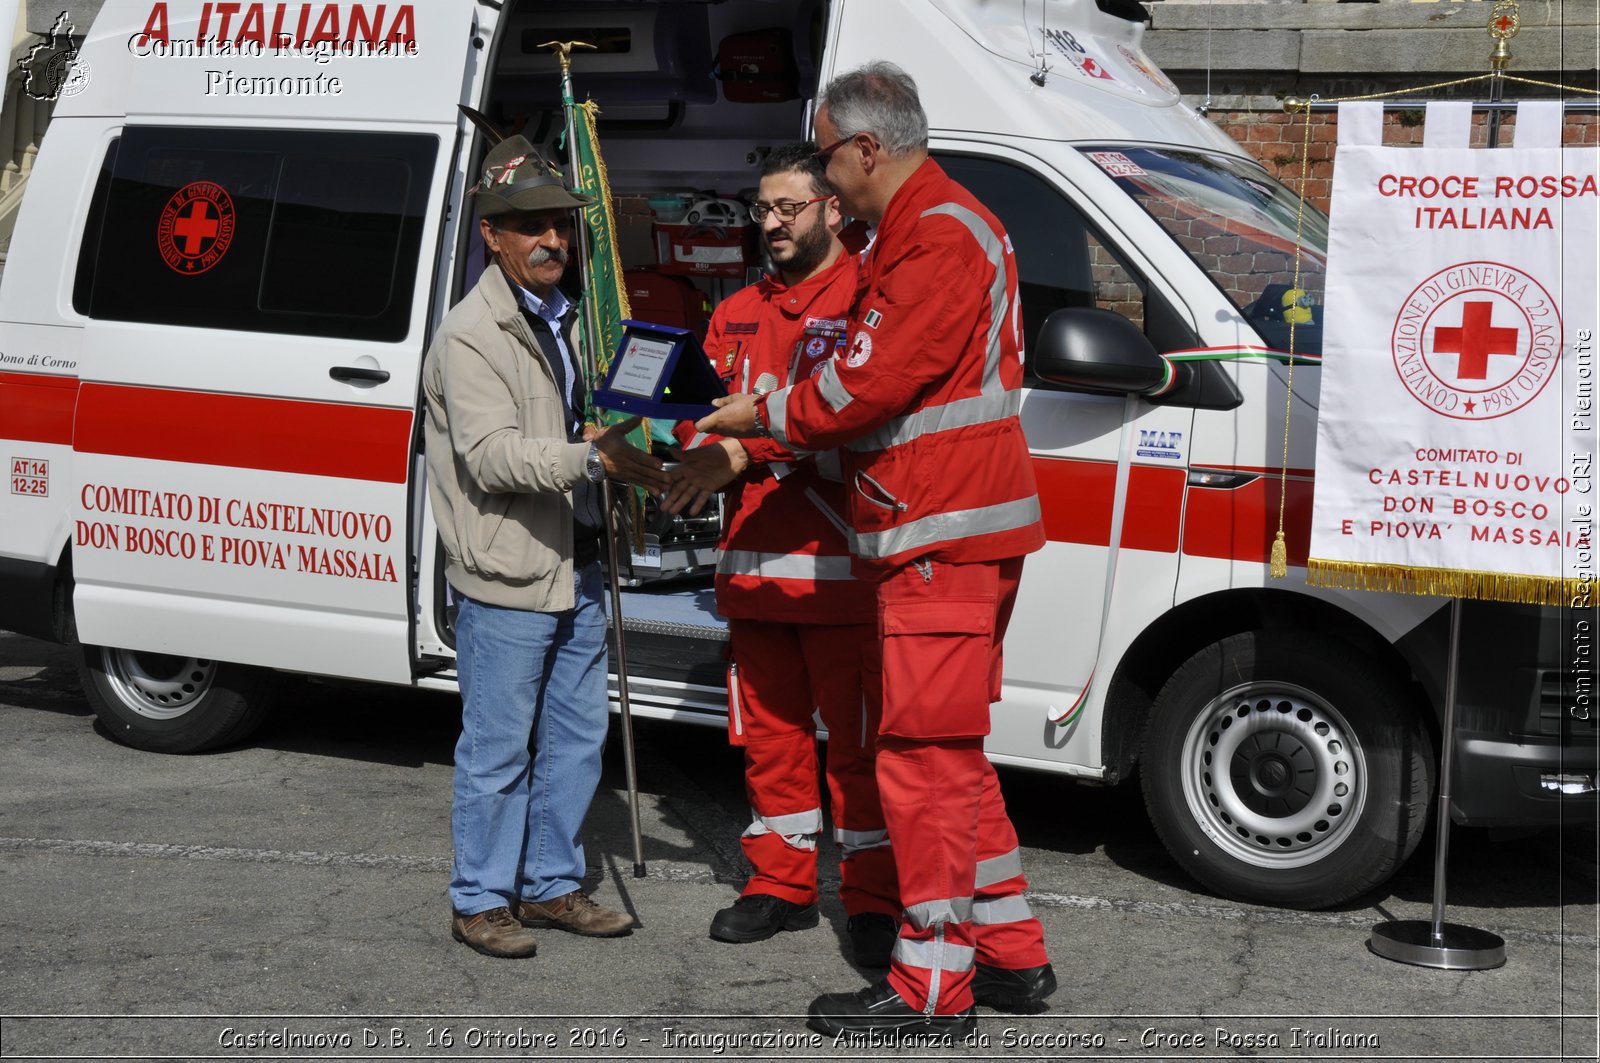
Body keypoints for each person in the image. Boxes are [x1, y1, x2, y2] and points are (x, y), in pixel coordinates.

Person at [691, 62, 1058, 1036]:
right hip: (948, 525)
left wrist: (756, 415)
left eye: (825, 154)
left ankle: (932, 983)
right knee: (957, 758)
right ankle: (1011, 953)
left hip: (938, 529)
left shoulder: (933, 233)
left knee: (921, 761)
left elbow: (863, 386)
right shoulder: (930, 225)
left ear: (864, 148)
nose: (822, 176)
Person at [423, 135, 673, 958]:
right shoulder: (471, 333)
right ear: (491, 237)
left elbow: (553, 428)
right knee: (497, 749)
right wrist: (587, 455)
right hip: (509, 571)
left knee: (573, 739)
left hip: (579, 564)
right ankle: (482, 900)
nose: (552, 239)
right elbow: (491, 456)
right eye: (528, 225)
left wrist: (597, 434)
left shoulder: (559, 317)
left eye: (560, 224)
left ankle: (552, 886)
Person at [668, 143, 899, 967]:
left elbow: (853, 418)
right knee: (769, 740)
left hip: (840, 574)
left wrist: (746, 448)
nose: (769, 223)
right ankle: (780, 884)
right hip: (755, 570)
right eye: (761, 209)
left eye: (786, 209)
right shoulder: (734, 310)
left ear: (832, 210)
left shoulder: (869, 299)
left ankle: (874, 899)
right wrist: (678, 441)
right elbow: (699, 413)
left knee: (860, 752)